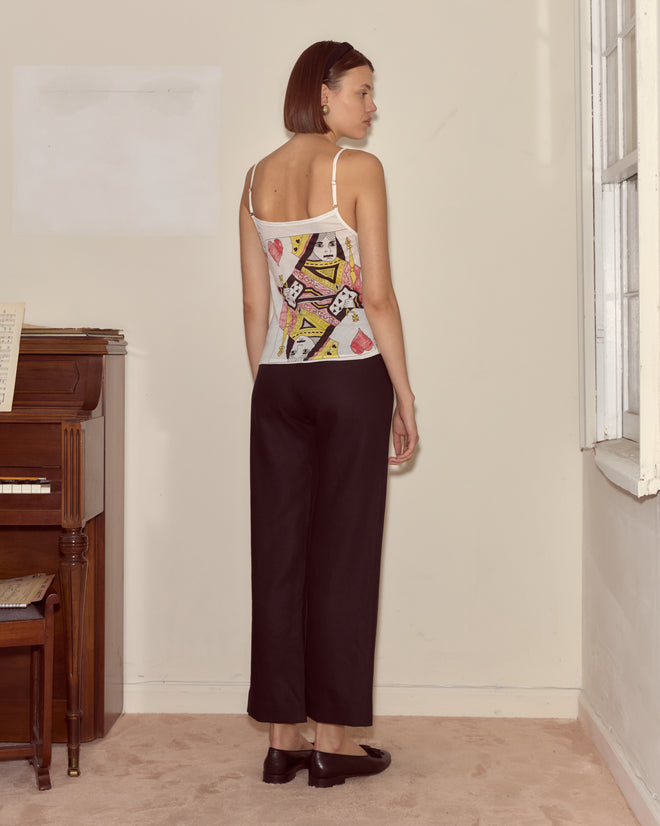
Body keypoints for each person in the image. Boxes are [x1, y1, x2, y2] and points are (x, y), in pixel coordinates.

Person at [240, 40, 418, 788]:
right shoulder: (357, 170)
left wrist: (276, 385)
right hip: (350, 381)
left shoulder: (253, 180)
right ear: (324, 94)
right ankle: (333, 742)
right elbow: (375, 295)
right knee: (343, 556)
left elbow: (255, 305)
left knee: (279, 558)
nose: (372, 107)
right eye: (363, 92)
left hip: (279, 384)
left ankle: (283, 737)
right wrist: (405, 394)